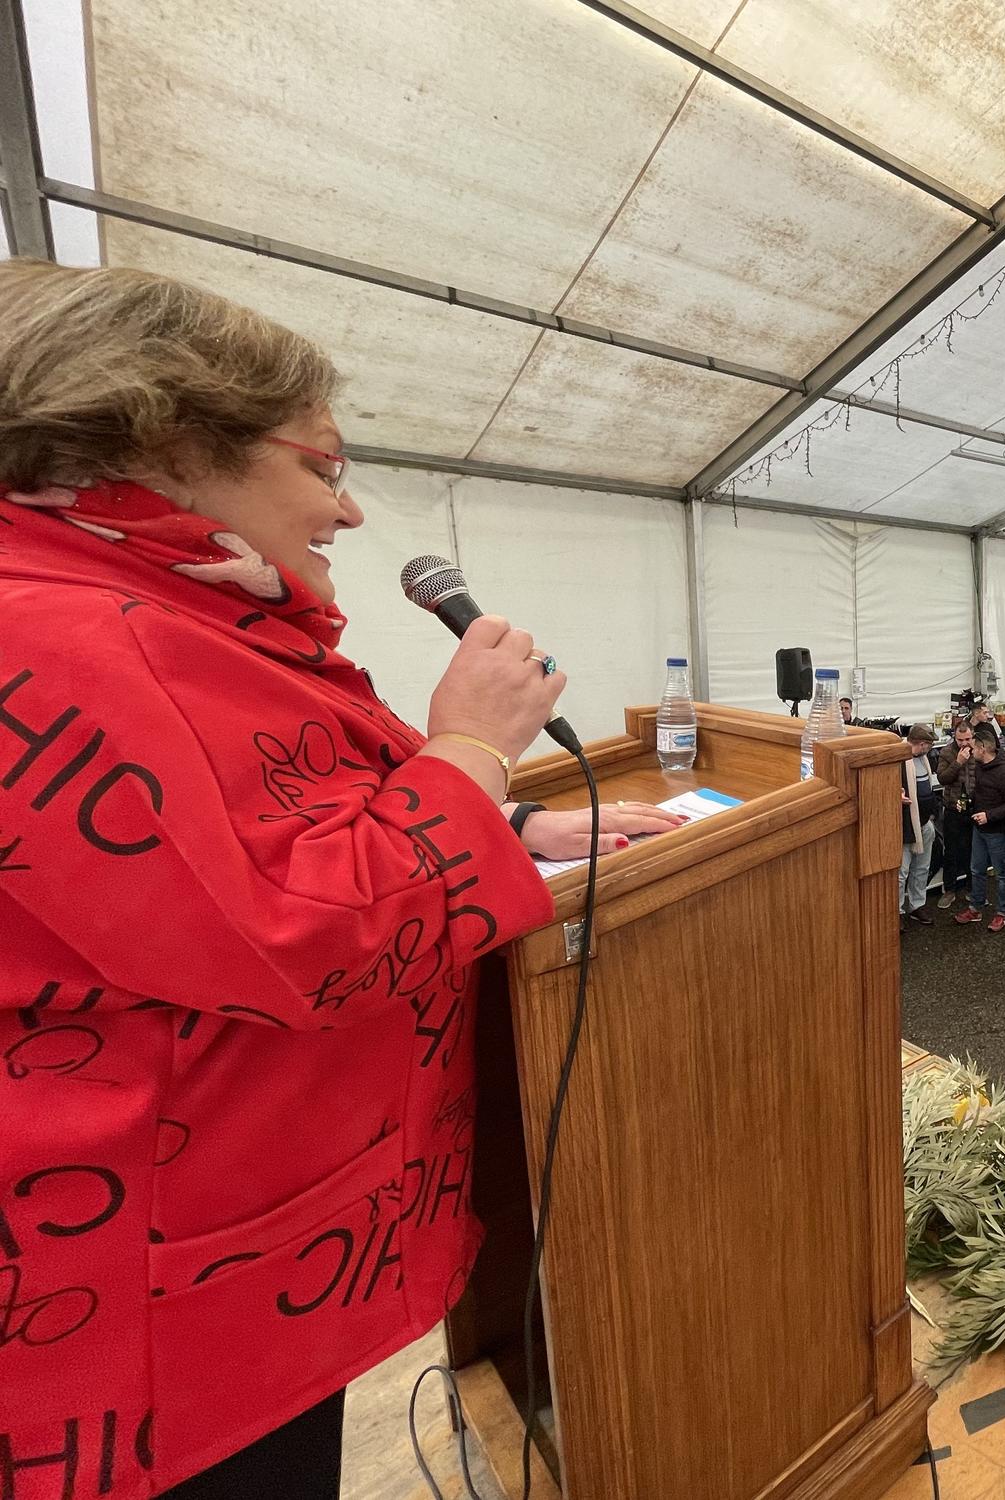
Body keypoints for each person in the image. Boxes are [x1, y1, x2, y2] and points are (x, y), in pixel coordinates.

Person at [0, 261, 682, 1495]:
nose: (351, 512)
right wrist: (473, 745)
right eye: (320, 465)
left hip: (239, 1272)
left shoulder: (172, 607)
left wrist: (509, 828)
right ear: (162, 438)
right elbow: (285, 936)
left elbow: (272, 830)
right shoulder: (49, 632)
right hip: (146, 1331)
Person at [955, 728, 1005, 933]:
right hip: (980, 829)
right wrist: (967, 804)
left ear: (983, 748)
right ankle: (976, 907)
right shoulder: (979, 766)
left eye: (973, 747)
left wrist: (989, 815)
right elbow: (980, 794)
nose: (970, 750)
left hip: (999, 831)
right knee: (976, 870)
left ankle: (1002, 913)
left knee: (1002, 873)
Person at [933, 717, 977, 910]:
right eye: (960, 740)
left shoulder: (979, 750)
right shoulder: (946, 752)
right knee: (950, 851)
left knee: (972, 850)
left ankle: (971, 887)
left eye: (967, 739)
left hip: (974, 808)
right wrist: (958, 762)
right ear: (955, 738)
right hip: (953, 808)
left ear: (973, 737)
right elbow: (942, 778)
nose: (964, 744)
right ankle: (949, 889)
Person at [900, 724, 941, 927]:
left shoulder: (923, 759)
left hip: (924, 823)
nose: (930, 748)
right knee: (902, 872)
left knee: (922, 868)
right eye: (929, 744)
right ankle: (897, 911)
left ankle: (917, 905)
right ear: (922, 744)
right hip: (906, 827)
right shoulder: (899, 760)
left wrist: (931, 815)